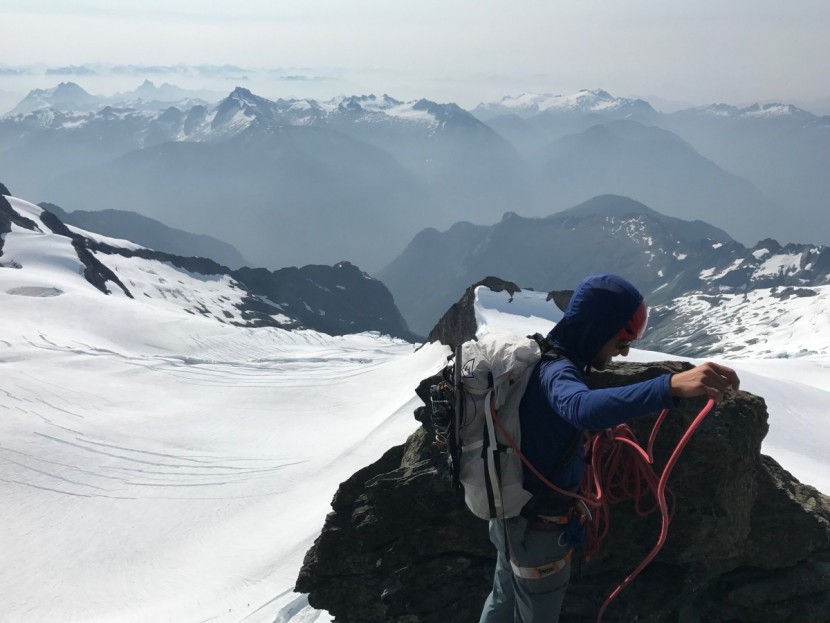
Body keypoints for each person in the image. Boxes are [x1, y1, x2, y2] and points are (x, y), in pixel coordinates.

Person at [478, 273, 740, 623]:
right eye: (620, 340)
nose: (625, 351)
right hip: (539, 534)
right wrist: (671, 386)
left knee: (502, 596)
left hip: (510, 518)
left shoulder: (542, 356)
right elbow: (582, 409)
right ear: (597, 328)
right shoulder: (558, 370)